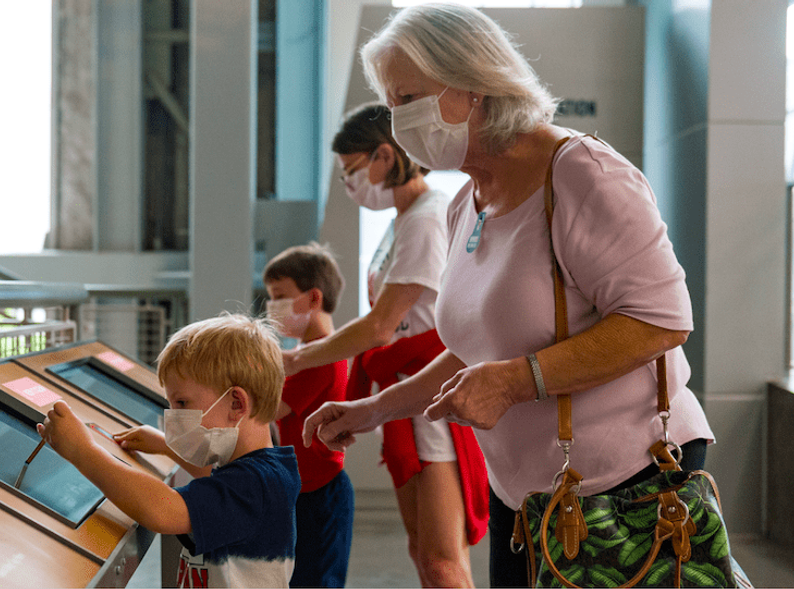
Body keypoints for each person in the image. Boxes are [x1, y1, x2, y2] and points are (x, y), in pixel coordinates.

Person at [301, 3, 716, 588]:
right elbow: (476, 346)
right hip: (525, 491)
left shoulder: (583, 174)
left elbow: (661, 323)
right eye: (392, 103)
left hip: (621, 484)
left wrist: (518, 381)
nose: (396, 121)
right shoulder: (463, 202)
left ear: (473, 84)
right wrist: (375, 409)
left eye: (407, 98)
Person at [283, 103, 488, 588]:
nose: (351, 184)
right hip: (407, 393)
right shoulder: (406, 218)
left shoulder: (425, 215)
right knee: (426, 551)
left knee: (441, 558)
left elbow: (380, 326)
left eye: (354, 171)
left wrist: (295, 358)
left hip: (430, 394)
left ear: (384, 155)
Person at [39, 313, 301, 588]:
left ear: (236, 403)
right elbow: (215, 481)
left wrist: (83, 450)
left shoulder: (257, 484)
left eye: (182, 403)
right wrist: (166, 445)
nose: (173, 416)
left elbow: (163, 511)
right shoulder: (257, 468)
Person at [263, 242, 354, 588]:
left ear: (314, 297)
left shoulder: (321, 358)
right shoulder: (302, 355)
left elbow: (270, 408)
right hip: (302, 490)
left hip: (321, 493)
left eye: (280, 295)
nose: (273, 306)